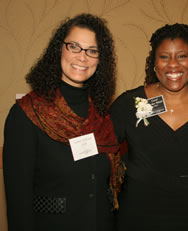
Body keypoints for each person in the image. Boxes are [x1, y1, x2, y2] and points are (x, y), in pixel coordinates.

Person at [3, 13, 121, 231]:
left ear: (100, 59)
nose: (82, 57)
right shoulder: (27, 114)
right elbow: (19, 203)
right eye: (74, 46)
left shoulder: (102, 116)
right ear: (59, 49)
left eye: (92, 50)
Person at [110, 23, 188, 231]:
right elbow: (100, 158)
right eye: (164, 56)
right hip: (137, 218)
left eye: (182, 56)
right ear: (154, 63)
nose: (173, 65)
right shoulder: (129, 104)